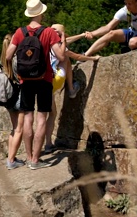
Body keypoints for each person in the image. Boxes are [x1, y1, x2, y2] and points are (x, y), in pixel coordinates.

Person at [5, 0, 65, 170]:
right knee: (41, 119)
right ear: (42, 13)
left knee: (28, 119)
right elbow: (60, 57)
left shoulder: (19, 32)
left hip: (26, 81)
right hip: (44, 79)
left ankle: (29, 155)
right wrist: (63, 40)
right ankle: (35, 161)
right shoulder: (49, 33)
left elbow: (8, 56)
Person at [43, 24, 100, 154]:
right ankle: (71, 88)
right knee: (66, 59)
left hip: (44, 82)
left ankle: (47, 145)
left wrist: (80, 35)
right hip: (56, 80)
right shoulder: (60, 47)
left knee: (50, 115)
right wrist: (93, 58)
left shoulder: (46, 42)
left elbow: (66, 41)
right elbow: (78, 57)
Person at [0, 33, 26, 170]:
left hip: (8, 97)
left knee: (14, 128)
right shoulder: (17, 60)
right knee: (19, 129)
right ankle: (11, 161)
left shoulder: (3, 61)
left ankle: (11, 157)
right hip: (19, 95)